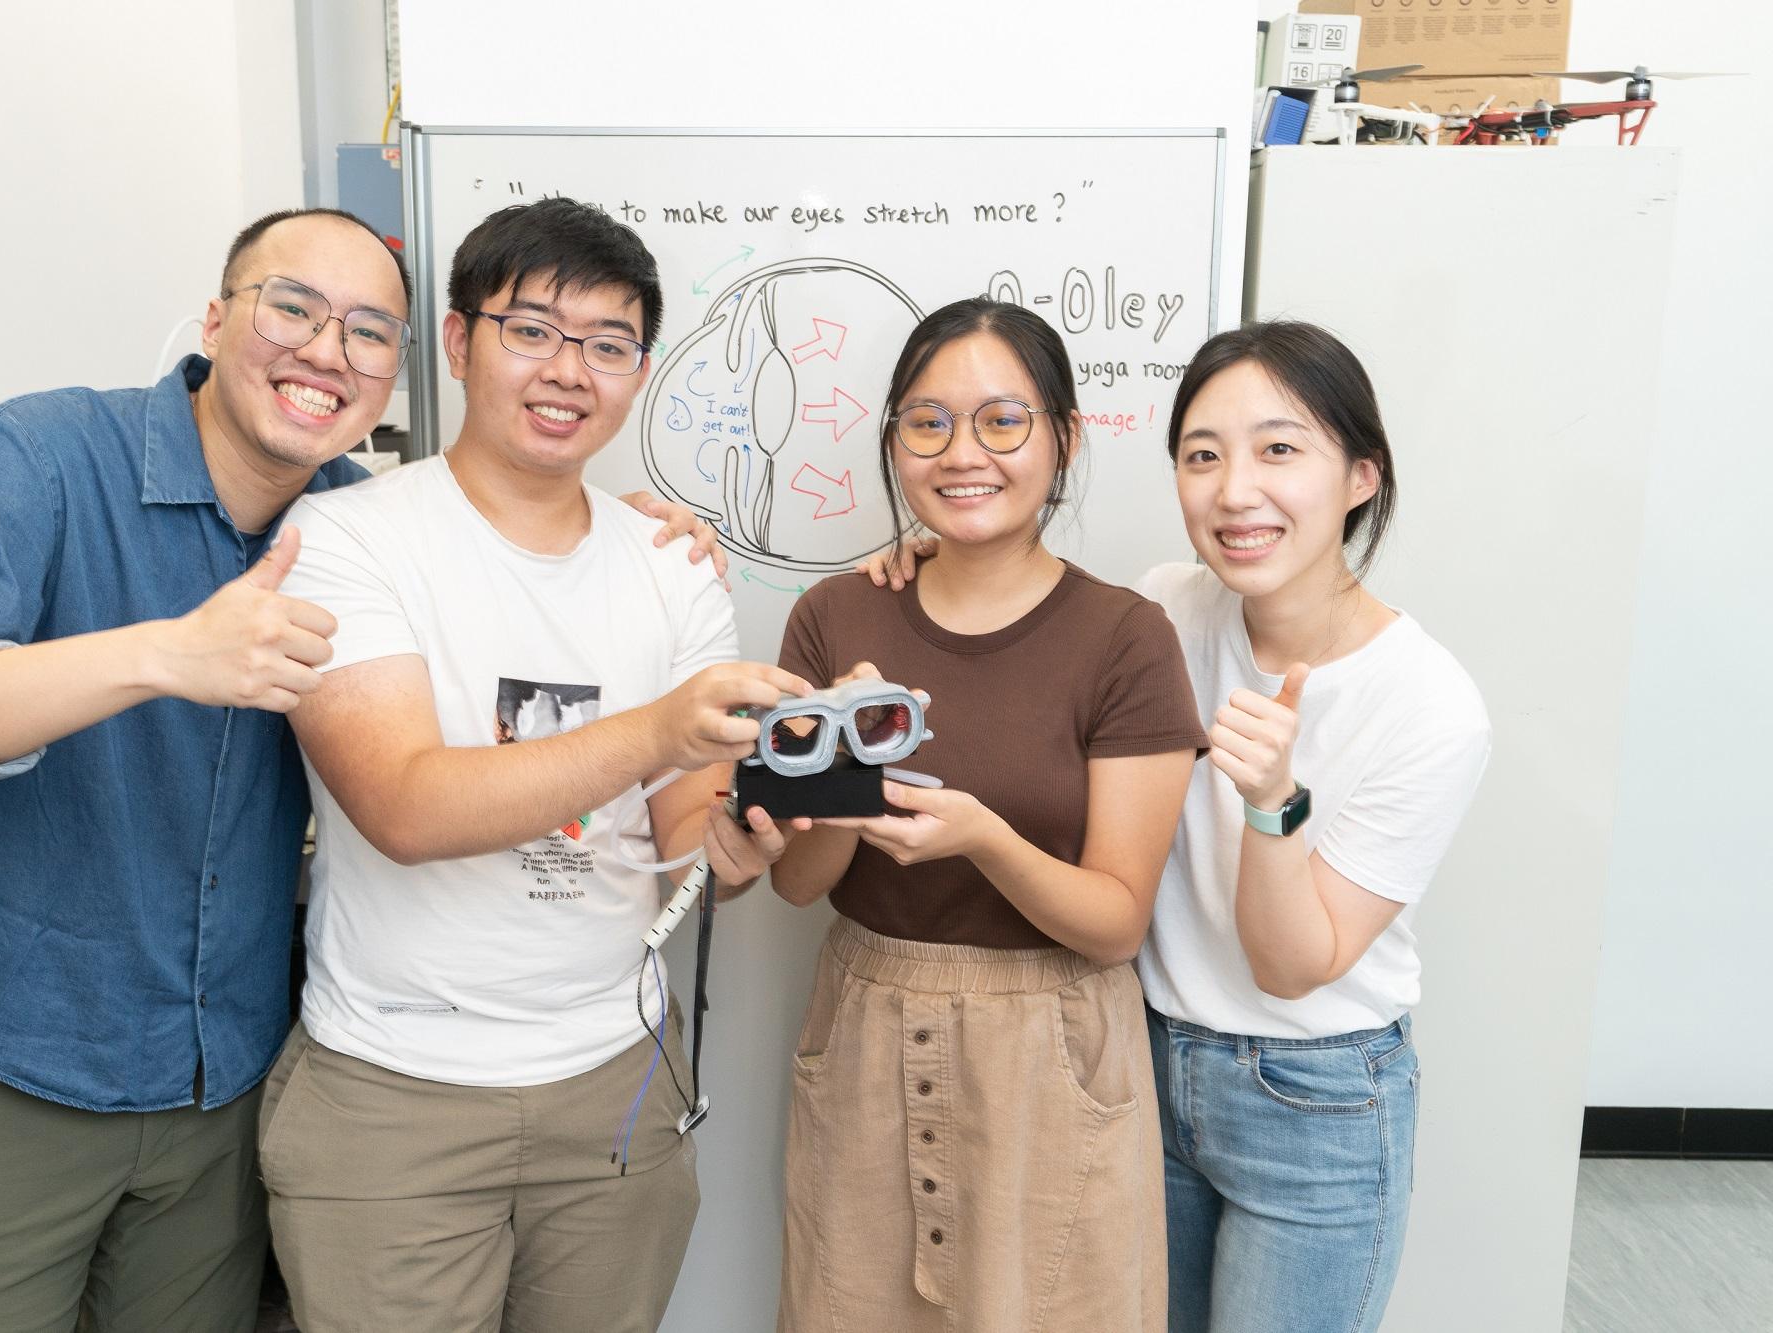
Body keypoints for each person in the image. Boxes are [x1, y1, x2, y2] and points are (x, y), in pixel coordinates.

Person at [0, 205, 723, 1332]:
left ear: (399, 366)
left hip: (218, 1082)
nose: (326, 351)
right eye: (292, 306)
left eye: (365, 332)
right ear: (215, 316)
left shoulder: (348, 521)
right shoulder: (45, 456)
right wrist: (159, 653)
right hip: (9, 1054)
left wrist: (623, 536)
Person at [862, 320, 1492, 1333]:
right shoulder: (1161, 611)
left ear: (1360, 475)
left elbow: (1292, 964)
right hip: (1140, 1059)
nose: (1234, 490)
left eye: (1278, 450)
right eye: (1201, 455)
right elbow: (1007, 589)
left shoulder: (1428, 706)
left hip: (1315, 1097)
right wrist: (928, 553)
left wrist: (1271, 805)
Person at [256, 197, 804, 1333]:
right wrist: (659, 729)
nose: (570, 371)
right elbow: (402, 804)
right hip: (393, 1086)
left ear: (638, 371)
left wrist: (736, 842)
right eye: (534, 331)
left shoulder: (672, 568)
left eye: (608, 345)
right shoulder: (346, 543)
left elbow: (684, 838)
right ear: (458, 343)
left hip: (616, 1080)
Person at [769, 297, 1206, 1332]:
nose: (961, 452)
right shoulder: (837, 616)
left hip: (1051, 1047)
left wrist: (983, 839)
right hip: (868, 1031)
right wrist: (839, 775)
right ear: (893, 444)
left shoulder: (1124, 637)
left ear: (1062, 437)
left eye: (1001, 421)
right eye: (926, 423)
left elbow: (1113, 922)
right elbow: (795, 882)